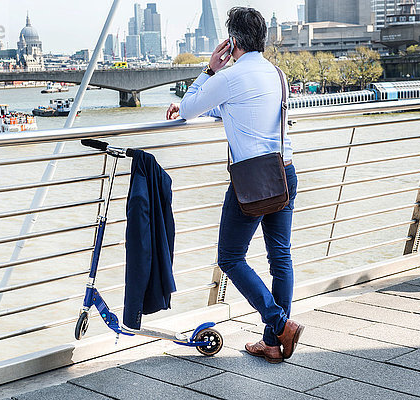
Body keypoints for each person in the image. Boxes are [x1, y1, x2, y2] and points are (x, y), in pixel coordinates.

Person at [166, 6, 303, 364]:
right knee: (281, 258)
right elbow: (235, 108)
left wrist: (210, 69)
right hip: (285, 171)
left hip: (252, 181)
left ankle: (279, 323)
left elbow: (187, 109)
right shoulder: (277, 74)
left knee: (229, 257)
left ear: (233, 42)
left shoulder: (228, 76)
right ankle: (273, 343)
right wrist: (200, 103)